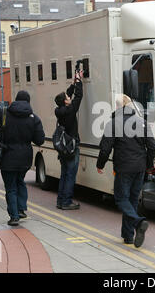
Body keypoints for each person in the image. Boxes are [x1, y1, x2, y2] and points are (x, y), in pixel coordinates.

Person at [96, 94, 155, 248]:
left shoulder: (114, 123)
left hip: (123, 167)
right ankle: (128, 236)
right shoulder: (142, 122)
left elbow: (105, 148)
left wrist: (100, 165)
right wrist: (148, 165)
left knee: (121, 199)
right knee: (132, 201)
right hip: (140, 167)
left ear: (117, 107)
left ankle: (138, 222)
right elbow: (152, 146)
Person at [0, 91, 45, 226]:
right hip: (25, 158)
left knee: (11, 187)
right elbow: (40, 140)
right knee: (20, 181)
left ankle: (14, 216)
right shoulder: (34, 118)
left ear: (15, 100)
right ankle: (21, 209)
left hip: (8, 156)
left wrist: (0, 111)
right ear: (28, 102)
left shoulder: (4, 114)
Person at [54, 69, 83, 210]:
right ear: (66, 102)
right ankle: (66, 201)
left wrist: (73, 84)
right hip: (72, 146)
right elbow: (79, 96)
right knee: (71, 174)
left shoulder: (60, 110)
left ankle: (60, 200)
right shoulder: (70, 110)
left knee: (64, 174)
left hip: (63, 147)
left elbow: (71, 94)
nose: (69, 97)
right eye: (67, 97)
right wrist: (79, 82)